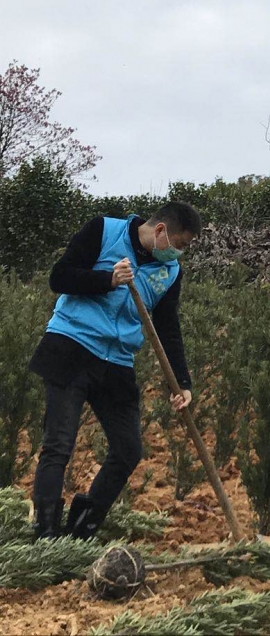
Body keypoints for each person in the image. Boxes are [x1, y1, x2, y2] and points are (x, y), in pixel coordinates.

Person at [29, 202, 201, 540]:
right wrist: (107, 279)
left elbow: (168, 328)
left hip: (118, 363)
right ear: (161, 231)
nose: (179, 253)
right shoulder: (104, 231)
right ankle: (45, 533)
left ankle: (82, 529)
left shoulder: (171, 273)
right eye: (180, 244)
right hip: (71, 347)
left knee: (128, 450)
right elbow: (59, 277)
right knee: (59, 444)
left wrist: (181, 383)